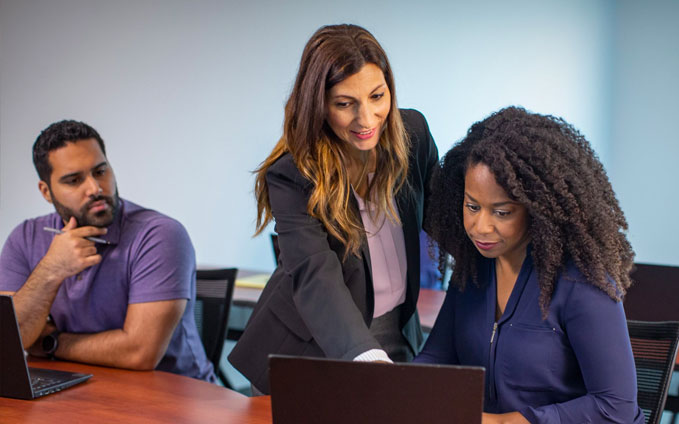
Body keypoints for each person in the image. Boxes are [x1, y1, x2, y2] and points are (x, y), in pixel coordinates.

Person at [414, 107, 644, 424]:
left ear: (539, 211)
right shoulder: (474, 271)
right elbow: (437, 356)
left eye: (501, 212)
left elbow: (615, 406)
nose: (480, 227)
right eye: (472, 206)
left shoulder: (581, 281)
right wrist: (397, 394)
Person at [228, 24, 438, 394]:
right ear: (319, 105)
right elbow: (315, 273)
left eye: (377, 96)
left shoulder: (412, 134)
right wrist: (366, 355)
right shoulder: (295, 173)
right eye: (345, 104)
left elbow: (445, 217)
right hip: (313, 346)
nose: (367, 119)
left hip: (396, 335)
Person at [0, 120, 215, 382]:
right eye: (74, 180)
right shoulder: (25, 237)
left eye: (100, 171)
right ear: (46, 191)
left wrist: (51, 342)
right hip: (78, 392)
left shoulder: (159, 234)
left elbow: (139, 353)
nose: (95, 188)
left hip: (175, 399)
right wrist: (51, 271)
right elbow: (9, 343)